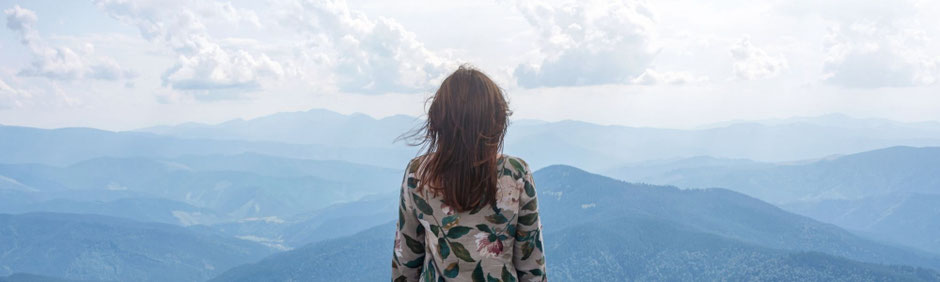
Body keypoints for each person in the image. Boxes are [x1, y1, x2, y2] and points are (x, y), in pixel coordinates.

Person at [392, 65, 547, 282]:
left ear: (439, 120)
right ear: (495, 120)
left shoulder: (418, 174)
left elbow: (405, 262)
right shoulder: (516, 173)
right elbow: (532, 267)